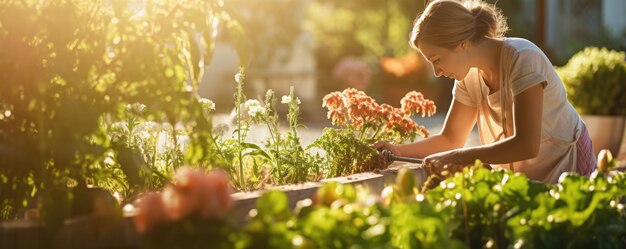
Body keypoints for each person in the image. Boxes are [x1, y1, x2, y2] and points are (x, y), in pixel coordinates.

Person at [374, 0, 595, 183]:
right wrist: (397, 150)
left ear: (462, 44)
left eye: (437, 60)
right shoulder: (469, 76)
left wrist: (459, 157)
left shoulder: (523, 58)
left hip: (568, 164)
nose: (437, 72)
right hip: (530, 177)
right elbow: (450, 139)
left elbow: (526, 145)